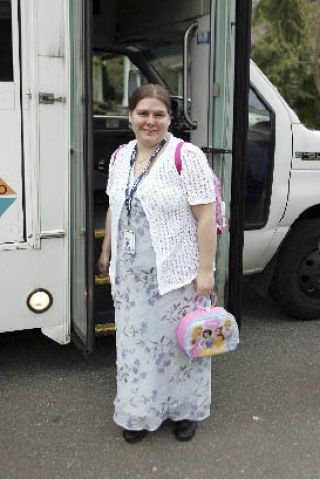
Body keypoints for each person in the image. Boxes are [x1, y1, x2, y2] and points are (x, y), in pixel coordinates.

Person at [98, 84, 217, 443]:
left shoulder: (187, 155)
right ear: (131, 115)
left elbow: (206, 216)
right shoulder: (121, 156)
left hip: (176, 273)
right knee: (135, 348)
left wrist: (206, 271)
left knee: (179, 345)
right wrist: (106, 252)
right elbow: (114, 207)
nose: (150, 121)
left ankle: (185, 412)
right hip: (131, 277)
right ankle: (138, 412)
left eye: (159, 114)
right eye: (143, 113)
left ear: (169, 118)